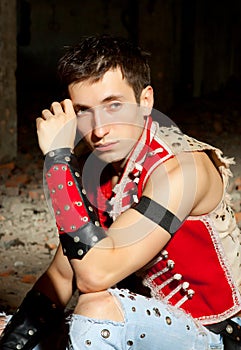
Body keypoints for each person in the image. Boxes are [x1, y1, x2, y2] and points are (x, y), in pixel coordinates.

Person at [1, 34, 241, 350]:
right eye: (84, 111)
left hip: (215, 336)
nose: (99, 130)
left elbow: (93, 277)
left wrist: (59, 162)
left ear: (145, 102)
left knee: (96, 308)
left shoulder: (182, 170)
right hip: (148, 325)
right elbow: (61, 277)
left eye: (114, 105)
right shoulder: (98, 170)